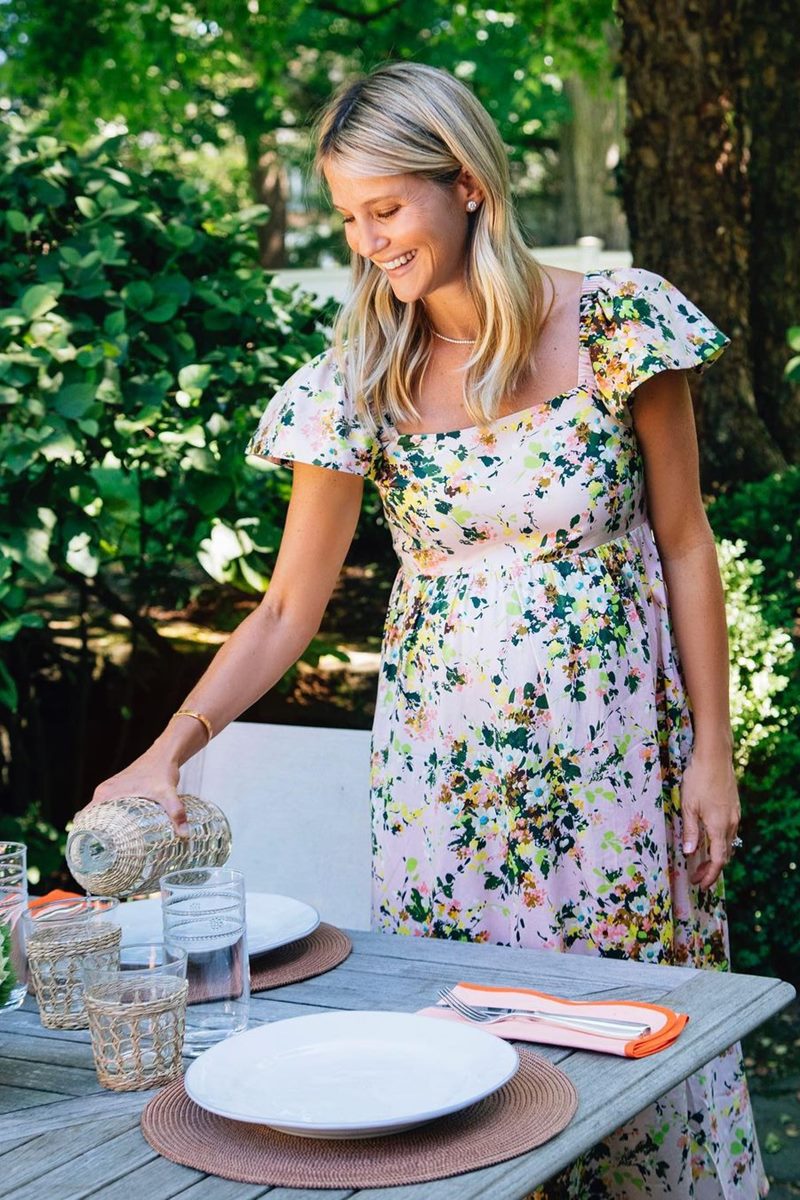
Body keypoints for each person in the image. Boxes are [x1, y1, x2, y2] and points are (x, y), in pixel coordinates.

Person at [85, 61, 766, 1197]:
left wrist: (710, 749)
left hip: (615, 768)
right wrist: (166, 753)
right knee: (468, 1078)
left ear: (464, 184)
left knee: (636, 1040)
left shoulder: (615, 324)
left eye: (385, 209)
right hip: (442, 792)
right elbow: (289, 609)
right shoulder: (356, 378)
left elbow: (685, 540)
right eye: (348, 216)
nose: (367, 242)